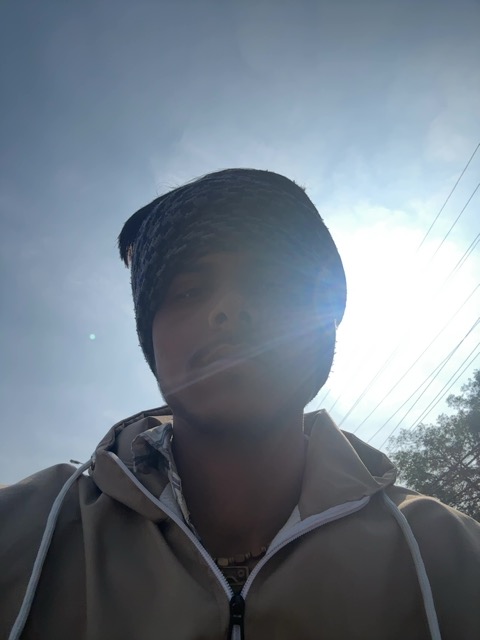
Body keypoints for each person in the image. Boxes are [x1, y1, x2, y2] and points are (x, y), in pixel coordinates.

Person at [0, 168, 479, 640]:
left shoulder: (450, 553)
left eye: (272, 283)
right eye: (188, 290)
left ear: (325, 321)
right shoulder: (26, 530)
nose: (228, 308)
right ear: (151, 337)